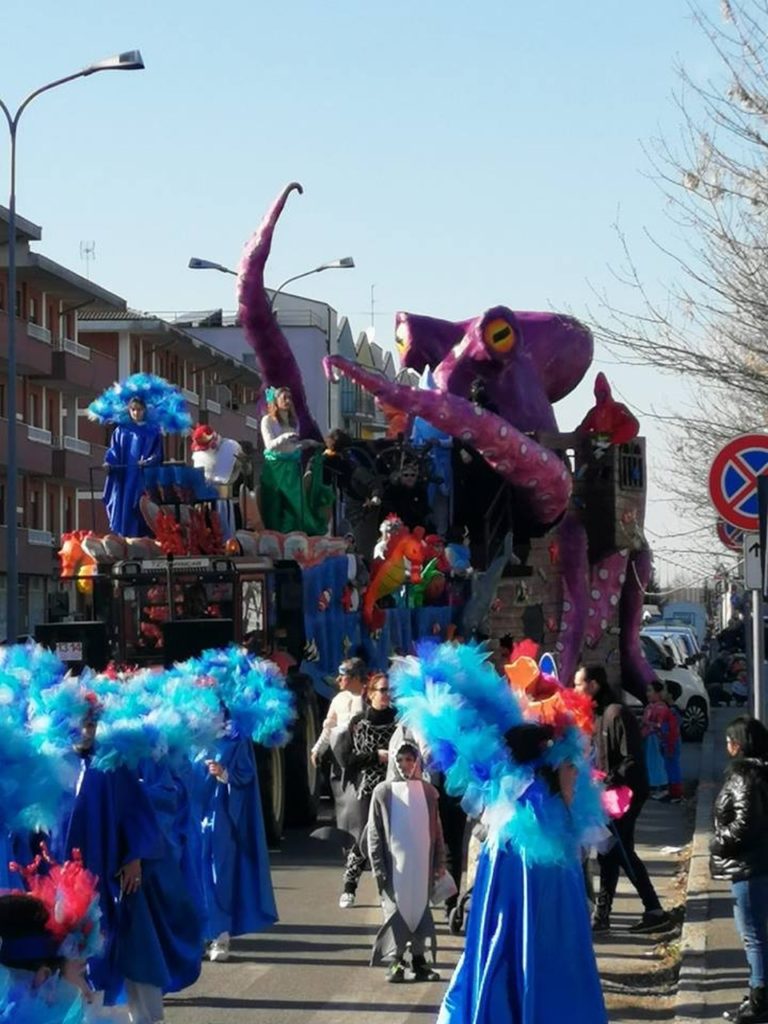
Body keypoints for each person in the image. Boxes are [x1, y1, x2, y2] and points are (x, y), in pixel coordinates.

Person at [574, 664, 672, 934]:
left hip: (627, 794)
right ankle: (604, 915)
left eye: (578, 684)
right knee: (610, 852)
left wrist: (607, 778)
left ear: (593, 685)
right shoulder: (595, 717)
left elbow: (631, 759)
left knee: (617, 850)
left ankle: (652, 909)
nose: (574, 689)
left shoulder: (616, 714)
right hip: (610, 796)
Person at [199, 717, 278, 963]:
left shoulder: (235, 738)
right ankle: (200, 934)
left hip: (221, 816)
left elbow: (246, 774)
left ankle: (220, 935)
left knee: (219, 873)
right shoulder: (188, 735)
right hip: (193, 816)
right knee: (195, 874)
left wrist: (224, 773)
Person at [367, 741, 447, 982]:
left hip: (421, 866)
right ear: (393, 761)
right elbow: (374, 833)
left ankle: (420, 962)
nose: (405, 766)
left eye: (410, 760)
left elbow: (437, 830)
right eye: (400, 760)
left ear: (417, 762)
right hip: (394, 868)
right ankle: (396, 960)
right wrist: (379, 868)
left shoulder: (429, 793)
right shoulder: (383, 792)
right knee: (396, 912)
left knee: (421, 913)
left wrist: (439, 863)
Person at [710, 716, 768, 1024]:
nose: (727, 745)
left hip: (748, 865)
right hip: (756, 862)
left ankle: (759, 999)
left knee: (753, 935)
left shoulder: (743, 776)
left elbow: (745, 823)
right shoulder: (758, 773)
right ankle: (759, 992)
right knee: (757, 933)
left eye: (731, 739)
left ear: (741, 744)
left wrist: (718, 843)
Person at [336, 672, 398, 908]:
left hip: (395, 789)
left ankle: (390, 891)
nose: (386, 695)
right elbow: (348, 759)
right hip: (369, 788)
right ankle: (349, 887)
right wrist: (375, 756)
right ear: (371, 693)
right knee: (364, 839)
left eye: (389, 690)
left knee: (393, 841)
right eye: (382, 690)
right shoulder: (359, 723)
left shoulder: (399, 721)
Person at [259, 386, 328, 534]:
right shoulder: (267, 421)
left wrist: (309, 443)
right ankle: (276, 534)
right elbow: (270, 446)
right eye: (284, 397)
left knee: (297, 504)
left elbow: (294, 447)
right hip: (275, 469)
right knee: (275, 503)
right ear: (275, 401)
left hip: (291, 469)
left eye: (290, 398)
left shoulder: (293, 422)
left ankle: (296, 533)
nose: (288, 401)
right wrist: (285, 437)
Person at [103, 396, 163, 537]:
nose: (136, 413)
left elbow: (158, 455)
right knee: (126, 507)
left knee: (142, 507)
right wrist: (109, 464)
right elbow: (114, 452)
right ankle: (125, 537)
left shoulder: (153, 432)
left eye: (139, 410)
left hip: (143, 479)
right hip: (125, 480)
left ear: (145, 410)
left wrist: (148, 462)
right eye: (133, 409)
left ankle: (144, 538)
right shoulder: (121, 432)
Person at [642, 680, 673, 799]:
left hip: (655, 738)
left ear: (658, 693)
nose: (647, 693)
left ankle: (660, 786)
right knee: (650, 762)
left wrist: (646, 722)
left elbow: (659, 725)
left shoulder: (661, 708)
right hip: (649, 737)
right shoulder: (651, 706)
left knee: (656, 762)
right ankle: (653, 786)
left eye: (650, 691)